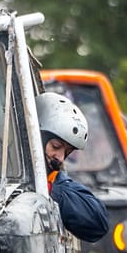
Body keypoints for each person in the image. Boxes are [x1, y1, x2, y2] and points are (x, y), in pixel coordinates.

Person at [36, 92, 109, 242]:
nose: (60, 158)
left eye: (67, 151)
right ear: (37, 136)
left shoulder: (56, 183)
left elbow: (98, 223)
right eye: (56, 146)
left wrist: (52, 192)